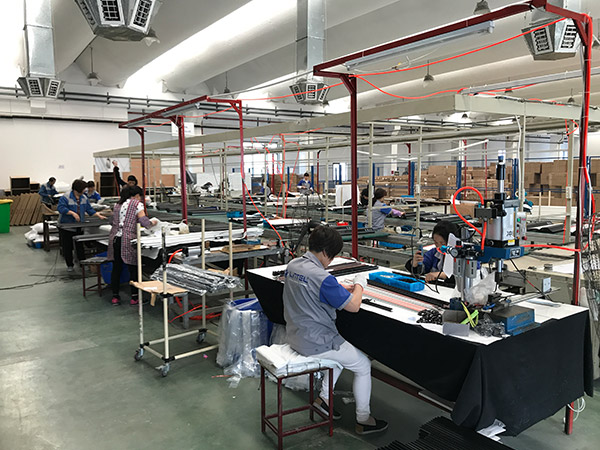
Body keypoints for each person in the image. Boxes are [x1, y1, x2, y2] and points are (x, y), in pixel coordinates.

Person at [283, 225, 388, 435]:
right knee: (363, 365)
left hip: (295, 335)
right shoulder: (322, 278)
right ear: (325, 252)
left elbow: (313, 291)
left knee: (341, 356)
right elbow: (354, 306)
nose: (330, 261)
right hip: (317, 342)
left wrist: (339, 290)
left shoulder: (293, 265)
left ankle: (324, 400)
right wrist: (359, 285)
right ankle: (364, 419)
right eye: (331, 256)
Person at [107, 186, 158, 306]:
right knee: (133, 269)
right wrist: (153, 222)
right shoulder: (137, 204)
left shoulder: (117, 205)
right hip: (128, 240)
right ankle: (135, 298)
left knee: (116, 268)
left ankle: (115, 297)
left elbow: (111, 221)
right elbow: (145, 223)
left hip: (115, 239)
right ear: (136, 195)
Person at [57, 179, 106, 272]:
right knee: (68, 247)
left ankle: (82, 263)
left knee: (80, 246)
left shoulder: (83, 197)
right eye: (83, 189)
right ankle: (70, 265)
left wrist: (98, 215)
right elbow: (60, 208)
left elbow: (89, 209)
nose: (85, 190)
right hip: (67, 226)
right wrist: (72, 213)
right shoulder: (66, 197)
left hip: (79, 225)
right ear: (78, 189)